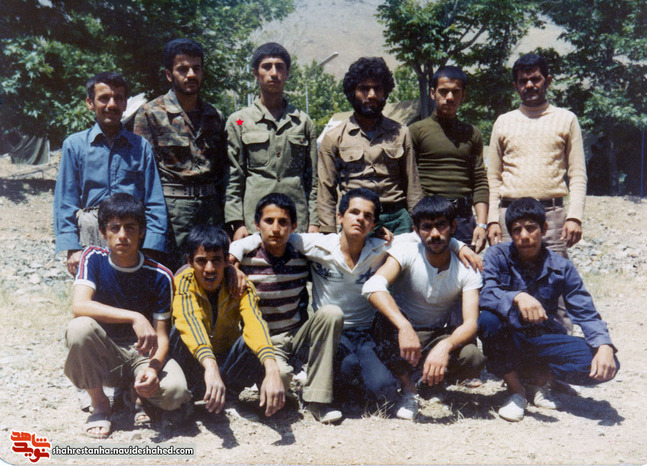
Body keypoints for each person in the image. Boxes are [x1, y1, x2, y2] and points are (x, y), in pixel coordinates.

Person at [231, 188, 479, 416]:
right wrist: (235, 253)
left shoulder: (381, 247)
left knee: (383, 390)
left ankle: (394, 382)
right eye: (354, 212)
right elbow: (272, 235)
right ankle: (317, 395)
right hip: (330, 334)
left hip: (365, 336)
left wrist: (460, 246)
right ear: (340, 217)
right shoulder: (318, 244)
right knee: (346, 362)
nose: (360, 219)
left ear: (374, 224)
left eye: (367, 216)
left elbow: (426, 236)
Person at [478, 197, 618, 422]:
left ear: (544, 229)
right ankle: (517, 391)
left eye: (531, 228)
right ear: (510, 233)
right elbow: (485, 294)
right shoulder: (497, 255)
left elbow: (585, 311)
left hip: (541, 339)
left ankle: (540, 378)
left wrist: (604, 345)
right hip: (508, 338)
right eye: (517, 230)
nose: (524, 236)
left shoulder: (561, 266)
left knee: (605, 363)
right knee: (487, 321)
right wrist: (517, 297)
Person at [63, 193, 191, 439]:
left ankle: (134, 393)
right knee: (79, 327)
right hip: (106, 353)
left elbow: (162, 336)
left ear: (141, 232)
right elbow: (80, 305)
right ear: (103, 232)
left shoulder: (160, 274)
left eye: (130, 228)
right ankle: (100, 404)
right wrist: (135, 317)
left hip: (142, 354)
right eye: (114, 228)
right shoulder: (93, 258)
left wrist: (153, 368)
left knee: (175, 393)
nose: (122, 235)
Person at [362, 196, 485, 420]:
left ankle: (428, 381)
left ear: (453, 227)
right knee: (383, 323)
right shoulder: (407, 250)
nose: (434, 234)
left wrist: (445, 346)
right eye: (427, 227)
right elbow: (373, 286)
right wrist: (404, 326)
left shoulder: (467, 267)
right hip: (399, 334)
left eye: (441, 225)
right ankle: (409, 388)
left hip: (435, 335)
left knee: (472, 356)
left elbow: (470, 323)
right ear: (417, 231)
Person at [228, 193, 344, 423]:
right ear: (257, 225)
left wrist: (376, 235)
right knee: (279, 380)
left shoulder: (303, 256)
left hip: (297, 336)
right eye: (268, 221)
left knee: (332, 313)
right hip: (266, 342)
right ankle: (284, 387)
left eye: (283, 222)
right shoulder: (244, 260)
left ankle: (317, 400)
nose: (276, 229)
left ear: (293, 227)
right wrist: (232, 263)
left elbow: (342, 245)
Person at [54, 72, 168, 276]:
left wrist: (151, 246)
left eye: (118, 98)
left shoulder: (140, 147)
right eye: (104, 98)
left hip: (131, 235)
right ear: (90, 103)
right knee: (92, 290)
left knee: (132, 290)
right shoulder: (74, 145)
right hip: (91, 233)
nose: (111, 104)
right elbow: (65, 201)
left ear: (125, 103)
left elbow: (154, 200)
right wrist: (72, 247)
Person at [169, 224, 285, 419]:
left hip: (224, 363)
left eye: (216, 260)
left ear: (226, 260)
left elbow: (255, 323)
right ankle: (186, 398)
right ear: (189, 261)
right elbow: (190, 321)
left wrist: (272, 368)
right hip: (196, 364)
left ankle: (229, 397)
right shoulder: (183, 281)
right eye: (201, 261)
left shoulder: (240, 285)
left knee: (253, 340)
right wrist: (210, 366)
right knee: (178, 332)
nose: (209, 269)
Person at [134, 38, 228, 270]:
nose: (191, 74)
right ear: (169, 74)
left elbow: (223, 171)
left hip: (210, 210)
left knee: (210, 273)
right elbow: (142, 174)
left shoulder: (215, 116)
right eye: (183, 69)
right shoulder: (150, 114)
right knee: (172, 274)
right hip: (172, 211)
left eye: (196, 68)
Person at [486, 53, 587, 256]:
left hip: (552, 218)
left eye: (535, 79)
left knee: (555, 274)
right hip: (510, 218)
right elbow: (493, 177)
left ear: (547, 81)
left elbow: (577, 174)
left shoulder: (566, 119)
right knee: (510, 274)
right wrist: (492, 219)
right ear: (516, 86)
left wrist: (574, 217)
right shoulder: (503, 122)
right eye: (523, 81)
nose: (529, 85)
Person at [318, 57, 423, 235]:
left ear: (385, 92)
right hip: (357, 221)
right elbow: (326, 191)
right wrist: (328, 233)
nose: (372, 95)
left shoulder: (401, 133)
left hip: (397, 221)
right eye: (364, 89)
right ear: (352, 92)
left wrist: (419, 224)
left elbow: (413, 184)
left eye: (377, 88)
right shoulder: (334, 137)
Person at [226, 42, 319, 241]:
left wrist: (314, 221)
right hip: (255, 221)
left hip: (295, 222)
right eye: (267, 66)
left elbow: (313, 179)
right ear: (255, 73)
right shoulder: (240, 120)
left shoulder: (302, 122)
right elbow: (234, 176)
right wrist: (237, 222)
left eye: (280, 67)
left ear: (287, 73)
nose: (274, 73)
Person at [409, 66, 489, 252]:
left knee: (465, 268)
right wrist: (416, 218)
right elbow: (408, 179)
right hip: (429, 219)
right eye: (443, 91)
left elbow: (479, 180)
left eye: (456, 92)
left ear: (463, 95)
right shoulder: (416, 131)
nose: (450, 97)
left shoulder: (472, 133)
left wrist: (481, 224)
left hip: (463, 220)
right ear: (432, 93)